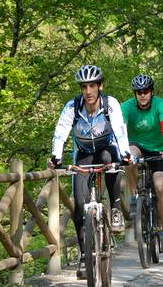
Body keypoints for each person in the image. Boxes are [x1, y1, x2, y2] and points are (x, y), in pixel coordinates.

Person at [48, 65, 131, 279]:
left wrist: (125, 154)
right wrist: (56, 156)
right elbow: (60, 131)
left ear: (100, 86)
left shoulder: (110, 104)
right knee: (79, 205)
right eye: (84, 87)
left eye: (92, 86)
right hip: (83, 154)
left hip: (107, 149)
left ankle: (114, 207)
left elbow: (120, 129)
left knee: (110, 160)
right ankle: (85, 256)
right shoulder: (73, 106)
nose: (88, 91)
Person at [121, 74, 163, 254]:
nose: (142, 95)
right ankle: (135, 195)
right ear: (135, 94)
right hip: (137, 145)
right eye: (139, 92)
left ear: (152, 92)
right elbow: (120, 126)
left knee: (161, 186)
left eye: (146, 92)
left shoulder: (161, 105)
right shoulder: (128, 106)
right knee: (129, 156)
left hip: (159, 149)